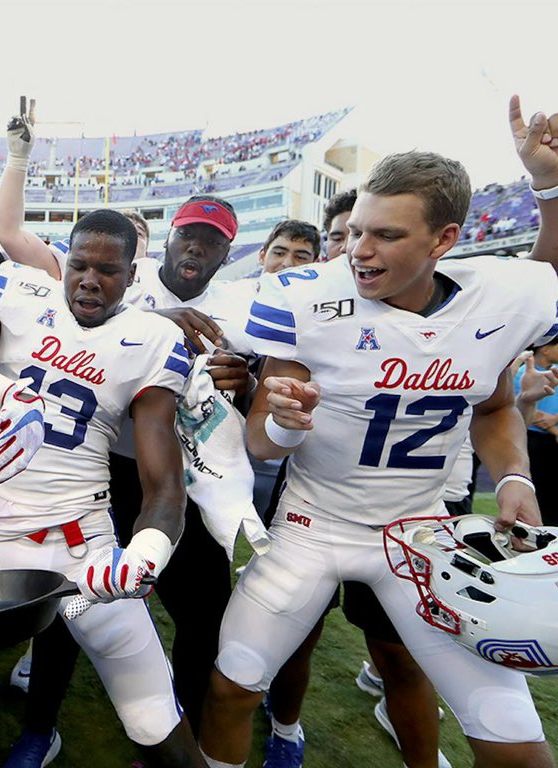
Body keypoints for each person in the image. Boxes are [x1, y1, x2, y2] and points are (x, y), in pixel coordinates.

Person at [199, 95, 558, 768]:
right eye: (358, 228)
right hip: (313, 525)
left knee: (511, 736)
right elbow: (257, 443)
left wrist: (513, 475)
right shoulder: (308, 294)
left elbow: (493, 406)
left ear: (444, 239)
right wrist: (282, 419)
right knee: (231, 686)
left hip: (419, 530)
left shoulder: (498, 297)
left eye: (387, 235)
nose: (359, 251)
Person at [0, 97, 250, 765]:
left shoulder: (242, 309)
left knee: (200, 618)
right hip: (105, 470)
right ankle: (39, 727)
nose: (197, 248)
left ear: (229, 250)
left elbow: (254, 398)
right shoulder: (119, 285)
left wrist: (243, 384)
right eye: (189, 235)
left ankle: (169, 733)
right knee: (67, 600)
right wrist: (164, 318)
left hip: (190, 480)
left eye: (213, 240)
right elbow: (20, 244)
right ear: (165, 242)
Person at [0, 209, 206, 768]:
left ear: (133, 274)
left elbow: (165, 486)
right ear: (63, 260)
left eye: (108, 270)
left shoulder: (152, 338)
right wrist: (10, 396)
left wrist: (142, 556)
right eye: (79, 264)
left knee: (152, 719)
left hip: (78, 553)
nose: (89, 279)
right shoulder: (21, 292)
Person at [258, 192, 455, 768]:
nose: (357, 251)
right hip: (313, 507)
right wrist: (275, 413)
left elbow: (531, 292)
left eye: (373, 236)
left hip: (404, 515)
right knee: (295, 637)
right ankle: (285, 729)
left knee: (400, 654)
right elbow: (259, 429)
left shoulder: (445, 315)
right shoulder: (309, 308)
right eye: (346, 237)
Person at [513, 341, 558, 525]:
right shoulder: (523, 374)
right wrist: (553, 429)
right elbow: (523, 408)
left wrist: (554, 419)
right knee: (534, 491)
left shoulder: (554, 372)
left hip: (551, 438)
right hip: (532, 438)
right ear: (545, 349)